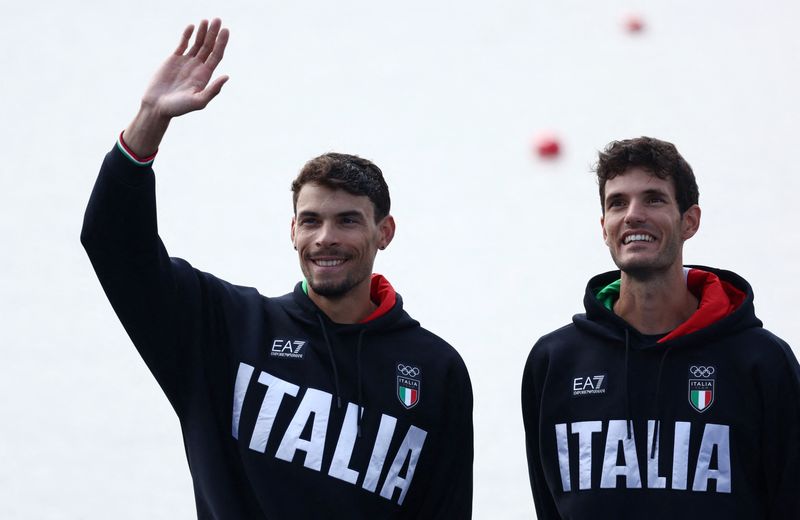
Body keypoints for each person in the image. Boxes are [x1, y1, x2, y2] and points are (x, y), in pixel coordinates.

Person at [81, 19, 472, 519]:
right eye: (310, 221)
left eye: (347, 220)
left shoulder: (437, 370)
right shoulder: (223, 327)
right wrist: (150, 119)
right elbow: (113, 243)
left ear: (384, 232)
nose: (325, 238)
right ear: (292, 233)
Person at [521, 136, 800, 519]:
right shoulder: (555, 361)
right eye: (617, 202)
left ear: (690, 221)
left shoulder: (762, 362)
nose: (633, 214)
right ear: (605, 228)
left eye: (653, 199)